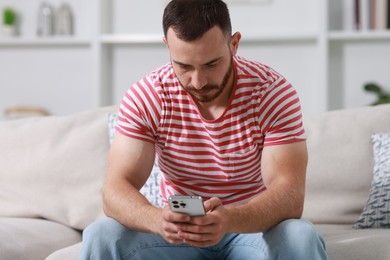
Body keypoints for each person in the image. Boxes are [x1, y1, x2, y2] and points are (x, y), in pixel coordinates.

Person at [79, 0, 327, 259]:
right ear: (167, 45)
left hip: (250, 231)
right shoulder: (148, 97)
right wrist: (157, 220)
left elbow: (290, 194)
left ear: (234, 44)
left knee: (301, 236)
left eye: (211, 64)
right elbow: (114, 190)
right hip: (178, 237)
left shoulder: (271, 94)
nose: (198, 82)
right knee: (101, 235)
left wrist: (229, 219)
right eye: (184, 66)